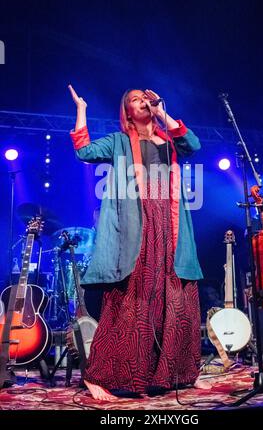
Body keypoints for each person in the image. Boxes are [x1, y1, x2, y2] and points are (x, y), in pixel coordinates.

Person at [69, 85, 203, 401]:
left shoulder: (169, 141)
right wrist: (82, 109)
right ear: (126, 111)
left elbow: (193, 145)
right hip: (138, 226)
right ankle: (99, 376)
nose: (142, 101)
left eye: (145, 97)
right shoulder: (118, 142)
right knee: (133, 301)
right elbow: (83, 150)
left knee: (177, 298)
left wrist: (161, 113)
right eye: (134, 100)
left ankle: (174, 375)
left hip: (169, 224)